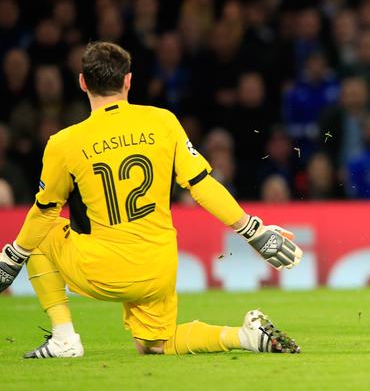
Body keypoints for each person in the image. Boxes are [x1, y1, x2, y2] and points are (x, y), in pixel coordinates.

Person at [0, 42, 303, 358]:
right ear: (128, 80)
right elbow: (201, 187)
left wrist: (12, 257)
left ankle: (64, 338)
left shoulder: (64, 143)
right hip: (157, 269)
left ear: (82, 82)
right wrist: (254, 231)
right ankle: (245, 336)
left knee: (39, 232)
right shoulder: (163, 122)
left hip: (101, 270)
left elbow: (45, 212)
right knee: (154, 345)